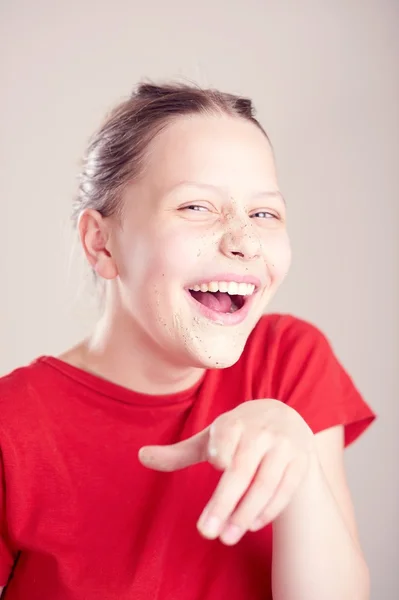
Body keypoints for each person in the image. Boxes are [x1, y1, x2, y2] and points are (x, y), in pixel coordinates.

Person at [0, 81, 376, 600]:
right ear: (100, 241)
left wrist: (301, 465)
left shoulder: (289, 361)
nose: (243, 241)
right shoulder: (11, 426)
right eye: (196, 207)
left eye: (264, 213)